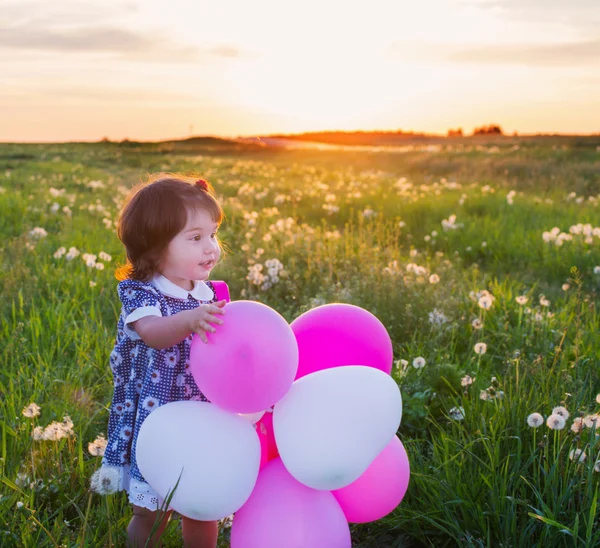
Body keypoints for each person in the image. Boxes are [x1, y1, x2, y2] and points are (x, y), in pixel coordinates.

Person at [90, 174, 229, 548]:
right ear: (154, 249)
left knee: (202, 504)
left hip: (201, 415)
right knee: (152, 510)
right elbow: (154, 332)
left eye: (212, 234)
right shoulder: (142, 294)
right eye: (195, 238)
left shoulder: (209, 294)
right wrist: (191, 319)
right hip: (157, 418)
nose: (211, 248)